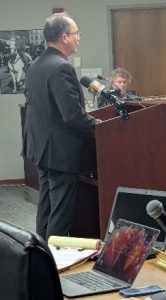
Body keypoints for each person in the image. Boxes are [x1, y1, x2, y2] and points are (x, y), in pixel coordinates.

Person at [22, 12, 101, 240]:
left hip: (41, 148)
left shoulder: (36, 64)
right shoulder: (61, 67)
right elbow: (72, 115)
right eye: (76, 33)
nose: (79, 38)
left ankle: (41, 254)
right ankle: (55, 264)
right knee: (61, 211)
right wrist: (100, 126)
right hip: (60, 151)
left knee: (46, 205)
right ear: (64, 37)